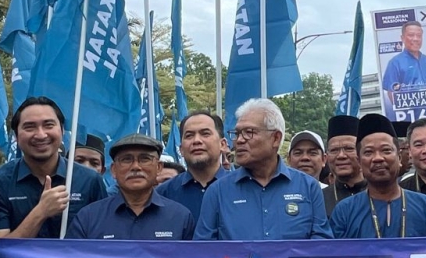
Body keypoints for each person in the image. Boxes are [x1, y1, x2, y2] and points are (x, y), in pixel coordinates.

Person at [196, 99, 331, 240]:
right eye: (237, 134)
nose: (239, 140)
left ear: (276, 138)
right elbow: (203, 254)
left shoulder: (308, 187)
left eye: (249, 132)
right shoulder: (218, 192)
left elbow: (321, 247)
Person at [0, 97, 107, 238]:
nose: (41, 134)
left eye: (48, 125)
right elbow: (0, 249)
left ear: (62, 130)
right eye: (30, 127)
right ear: (16, 135)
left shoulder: (90, 180)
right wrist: (41, 212)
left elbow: (102, 241)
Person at [68, 134, 194, 240]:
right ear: (113, 170)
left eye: (145, 159)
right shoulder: (88, 218)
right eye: (126, 160)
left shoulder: (180, 217)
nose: (136, 167)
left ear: (159, 167)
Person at [330, 114, 426, 238]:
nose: (378, 158)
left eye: (386, 150)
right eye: (368, 152)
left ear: (399, 158)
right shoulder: (344, 211)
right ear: (359, 162)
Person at [156, 111, 230, 223]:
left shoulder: (242, 189)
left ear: (223, 144)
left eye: (205, 133)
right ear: (181, 149)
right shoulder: (163, 194)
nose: (196, 141)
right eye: (189, 135)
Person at [381, 21, 426, 120]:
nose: (416, 39)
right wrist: (404, 114)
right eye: (411, 35)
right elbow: (391, 92)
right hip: (409, 117)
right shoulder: (395, 62)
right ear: (402, 38)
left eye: (419, 35)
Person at [323, 115, 366, 215]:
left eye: (349, 148)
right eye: (334, 150)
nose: (341, 156)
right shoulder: (318, 198)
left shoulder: (380, 193)